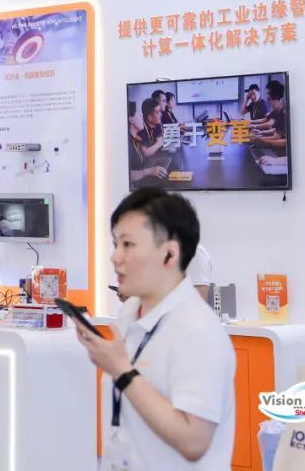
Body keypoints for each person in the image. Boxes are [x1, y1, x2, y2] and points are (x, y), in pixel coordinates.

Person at [74, 189, 235, 469]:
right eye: (115, 244)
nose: (115, 257)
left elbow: (193, 441)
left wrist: (122, 371)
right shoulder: (129, 312)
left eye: (128, 244)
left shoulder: (198, 330)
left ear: (169, 254)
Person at [252, 80, 288, 150]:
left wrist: (263, 140)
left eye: (268, 93)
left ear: (275, 96)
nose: (266, 96)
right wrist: (260, 134)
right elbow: (277, 133)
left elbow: (285, 141)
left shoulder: (284, 113)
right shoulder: (277, 111)